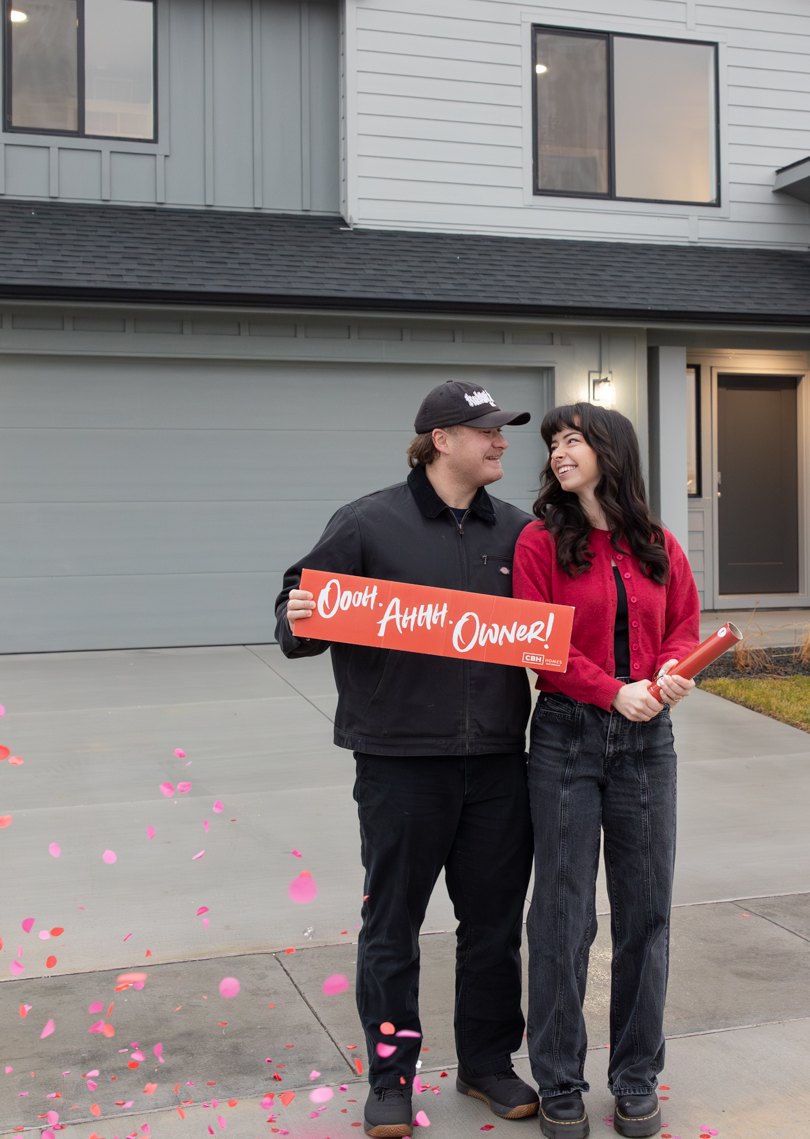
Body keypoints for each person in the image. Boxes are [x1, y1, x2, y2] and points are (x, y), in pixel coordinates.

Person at [273, 380, 542, 1139]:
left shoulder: (519, 534)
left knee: (493, 925)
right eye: (486, 430)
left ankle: (488, 1062)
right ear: (441, 439)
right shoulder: (368, 523)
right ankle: (391, 1077)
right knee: (392, 925)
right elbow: (297, 613)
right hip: (399, 764)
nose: (501, 442)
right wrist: (298, 614)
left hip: (495, 762)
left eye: (502, 430)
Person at [512, 403, 700, 1139]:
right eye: (553, 443)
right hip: (566, 737)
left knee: (646, 911)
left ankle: (635, 1076)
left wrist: (668, 673)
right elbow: (539, 642)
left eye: (573, 440)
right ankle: (559, 1078)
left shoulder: (655, 542)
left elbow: (682, 620)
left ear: (609, 452)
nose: (560, 452)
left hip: (649, 741)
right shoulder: (539, 543)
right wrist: (611, 690)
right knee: (562, 914)